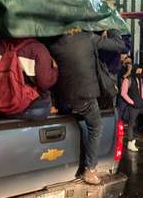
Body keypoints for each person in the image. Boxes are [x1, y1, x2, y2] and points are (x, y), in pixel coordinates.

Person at [49, 29, 126, 185]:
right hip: (85, 96)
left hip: (62, 97)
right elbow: (120, 46)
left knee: (81, 122)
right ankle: (90, 169)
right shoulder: (88, 38)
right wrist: (112, 29)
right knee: (96, 127)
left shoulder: (53, 43)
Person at [0, 38, 58, 120]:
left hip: (4, 108)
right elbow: (45, 83)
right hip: (34, 109)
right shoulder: (38, 48)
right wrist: (55, 70)